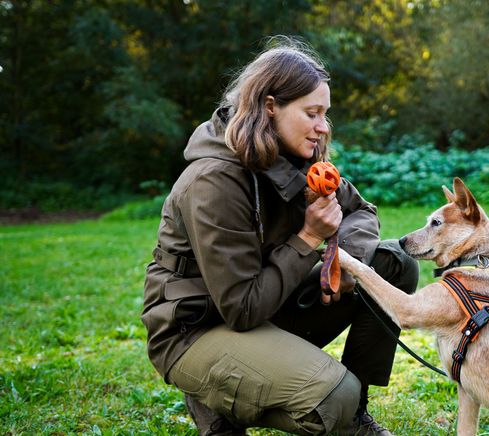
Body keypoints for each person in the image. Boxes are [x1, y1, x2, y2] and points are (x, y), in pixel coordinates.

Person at [141, 37, 419, 436]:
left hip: (272, 302)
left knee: (392, 264)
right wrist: (308, 239)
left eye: (325, 113)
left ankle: (354, 416)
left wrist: (343, 264)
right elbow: (240, 308)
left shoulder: (300, 159)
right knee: (332, 395)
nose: (323, 126)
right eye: (312, 113)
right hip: (200, 328)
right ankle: (218, 399)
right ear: (270, 107)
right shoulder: (213, 181)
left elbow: (358, 211)